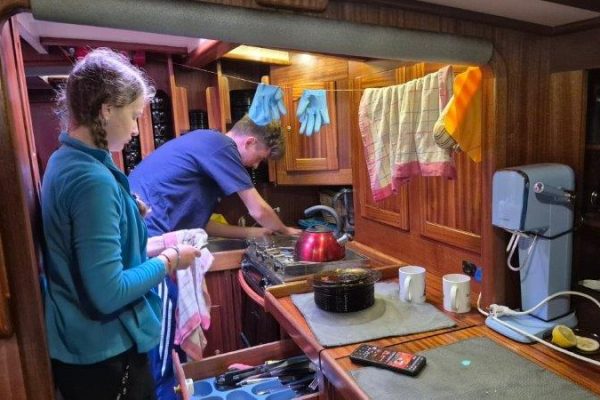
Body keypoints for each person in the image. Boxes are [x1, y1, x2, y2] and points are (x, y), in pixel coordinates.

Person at [41, 48, 200, 400]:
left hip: (83, 349)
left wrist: (128, 213)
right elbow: (109, 292)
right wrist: (171, 259)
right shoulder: (91, 179)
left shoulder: (65, 160)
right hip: (105, 356)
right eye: (133, 115)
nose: (135, 129)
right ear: (106, 110)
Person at [128, 114, 302, 399]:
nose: (256, 166)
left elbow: (203, 224)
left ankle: (172, 390)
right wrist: (286, 232)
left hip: (150, 241)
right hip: (150, 244)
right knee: (162, 343)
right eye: (260, 157)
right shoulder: (221, 146)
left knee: (168, 341)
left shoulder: (207, 148)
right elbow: (258, 209)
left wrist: (252, 234)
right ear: (250, 141)